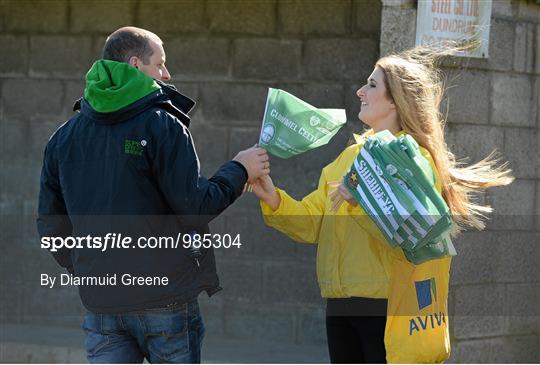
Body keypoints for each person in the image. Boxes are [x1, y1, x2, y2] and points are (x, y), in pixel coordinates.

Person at [250, 45, 513, 363]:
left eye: (372, 85)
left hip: (385, 308)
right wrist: (274, 199)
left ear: (396, 99)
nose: (360, 91)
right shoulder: (349, 156)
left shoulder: (414, 159)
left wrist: (360, 202)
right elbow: (315, 220)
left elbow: (413, 235)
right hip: (339, 306)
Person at [37, 27, 269, 363]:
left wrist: (92, 270)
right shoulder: (163, 125)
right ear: (135, 64)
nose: (167, 74)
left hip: (102, 304)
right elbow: (196, 208)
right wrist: (240, 169)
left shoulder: (63, 138)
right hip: (166, 300)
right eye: (160, 64)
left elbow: (50, 229)